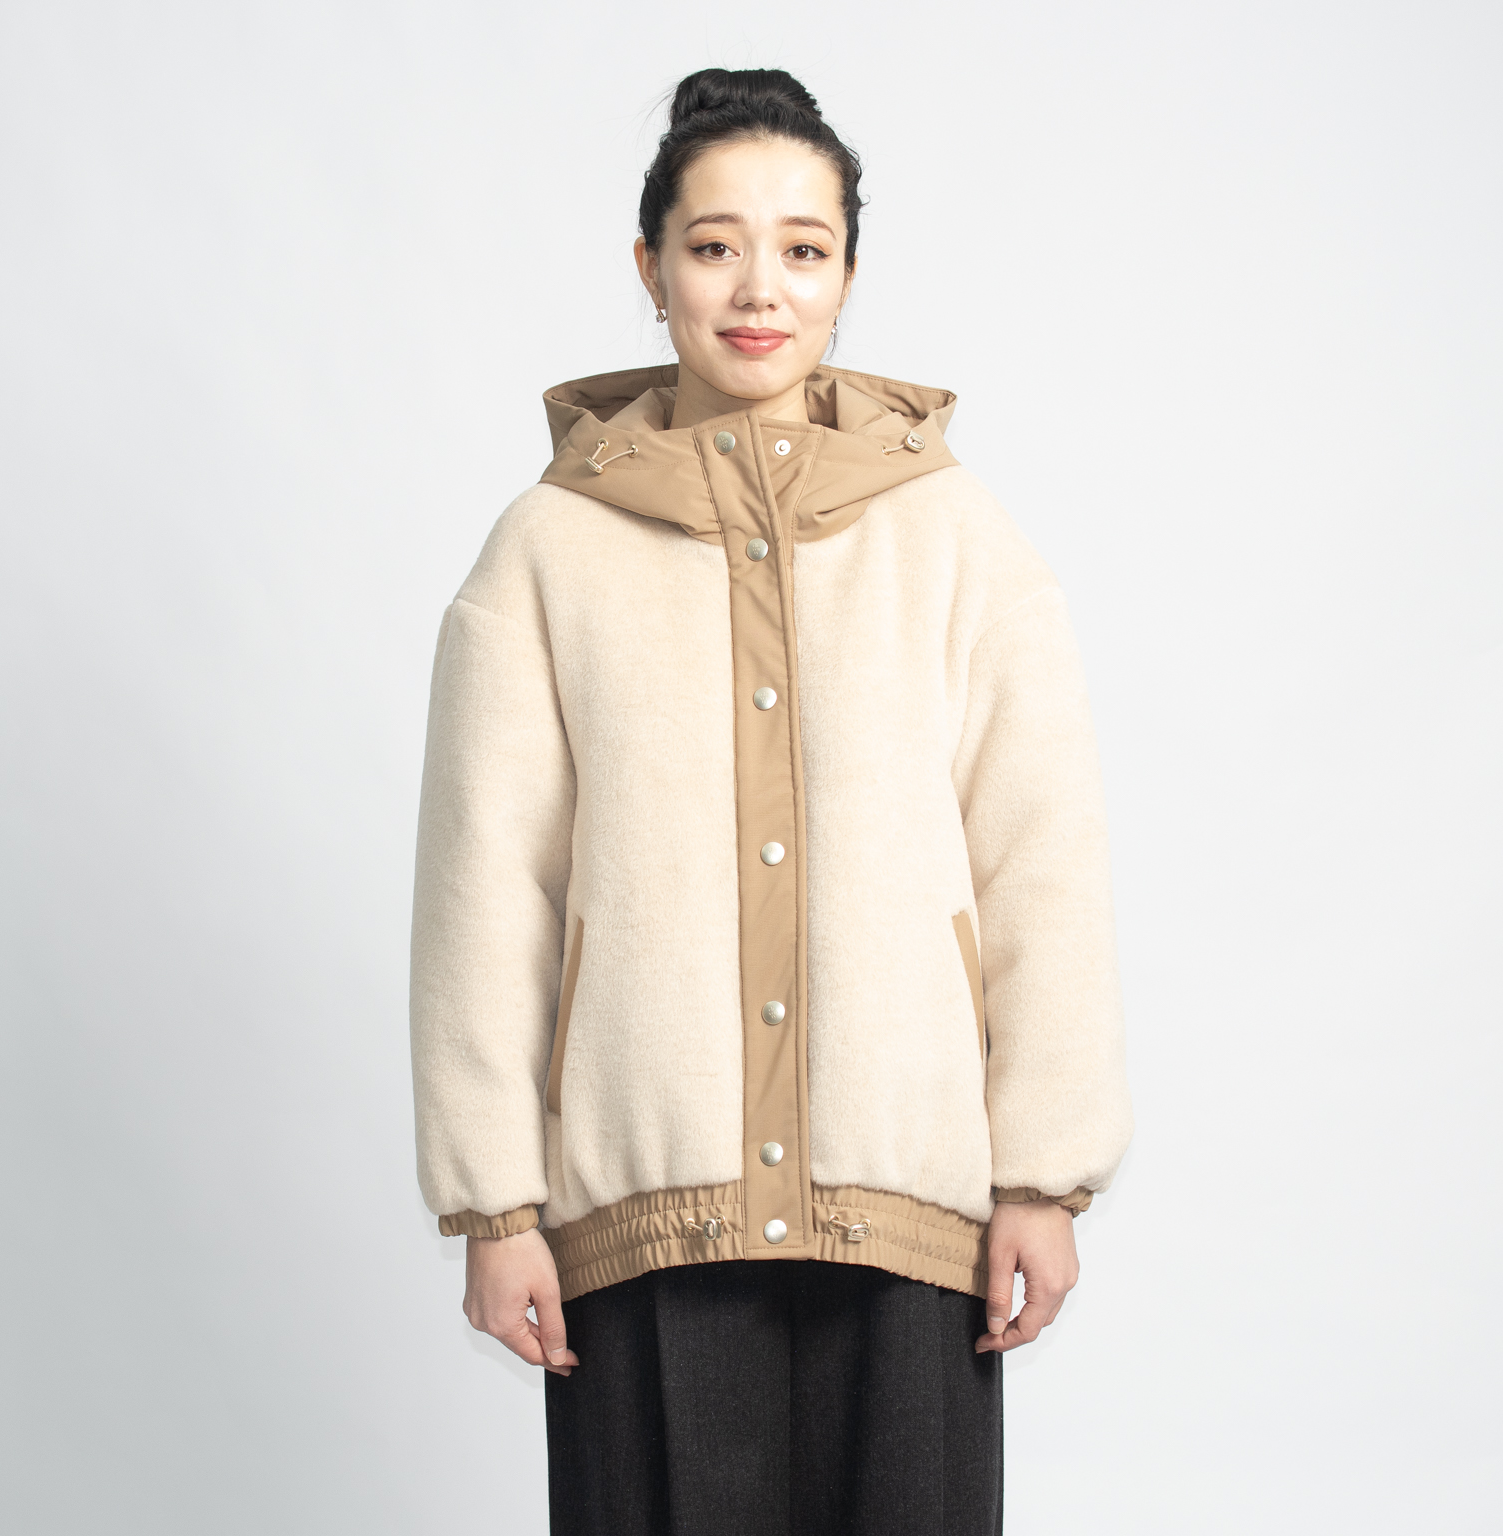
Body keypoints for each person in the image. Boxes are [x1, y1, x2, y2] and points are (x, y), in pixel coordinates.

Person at [410, 66, 1132, 1536]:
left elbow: (1040, 863)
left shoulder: (958, 540)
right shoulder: (545, 552)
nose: (760, 288)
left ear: (848, 274)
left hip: (911, 1215)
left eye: (804, 248)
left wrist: (1043, 1178)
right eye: (714, 245)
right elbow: (486, 890)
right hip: (639, 1221)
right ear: (650, 267)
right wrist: (495, 1208)